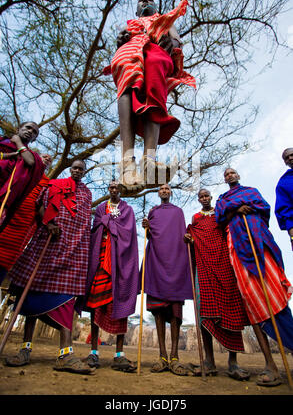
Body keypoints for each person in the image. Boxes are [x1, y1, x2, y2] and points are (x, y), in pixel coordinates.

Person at [5, 160, 93, 375]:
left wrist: (77, 246)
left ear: (84, 172)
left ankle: (65, 354)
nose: (78, 171)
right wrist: (49, 223)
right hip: (47, 245)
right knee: (32, 296)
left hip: (72, 251)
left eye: (82, 169)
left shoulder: (87, 194)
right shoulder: (55, 185)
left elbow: (83, 222)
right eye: (75, 168)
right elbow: (39, 206)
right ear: (70, 169)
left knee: (66, 301)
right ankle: (25, 349)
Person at [104, 0, 196, 188]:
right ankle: (127, 162)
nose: (145, 0)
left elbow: (176, 40)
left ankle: (149, 161)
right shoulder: (132, 24)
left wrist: (173, 44)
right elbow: (121, 39)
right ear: (137, 11)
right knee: (126, 78)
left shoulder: (163, 21)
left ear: (156, 7)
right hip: (130, 50)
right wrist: (120, 40)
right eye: (141, 0)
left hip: (155, 50)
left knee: (155, 69)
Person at [215, 167, 293, 387]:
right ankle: (271, 365)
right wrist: (235, 209)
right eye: (226, 174)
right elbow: (221, 219)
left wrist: (247, 210)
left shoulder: (252, 191)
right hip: (238, 250)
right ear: (224, 180)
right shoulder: (223, 199)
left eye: (232, 173)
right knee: (252, 301)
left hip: (260, 243)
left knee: (274, 293)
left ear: (238, 176)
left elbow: (264, 209)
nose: (230, 176)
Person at [184, 188, 250, 380]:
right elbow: (191, 235)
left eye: (207, 196)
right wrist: (187, 238)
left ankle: (233, 363)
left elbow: (229, 227)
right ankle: (209, 362)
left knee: (232, 310)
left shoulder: (220, 213)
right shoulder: (196, 218)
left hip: (224, 264)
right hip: (204, 266)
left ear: (210, 197)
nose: (204, 198)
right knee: (204, 312)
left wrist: (237, 210)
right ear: (198, 199)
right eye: (201, 196)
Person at [76, 181, 139, 372]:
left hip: (119, 263)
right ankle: (94, 352)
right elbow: (96, 228)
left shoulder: (127, 210)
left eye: (116, 188)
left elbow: (128, 234)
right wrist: (106, 223)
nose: (113, 190)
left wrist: (109, 223)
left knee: (120, 307)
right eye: (111, 187)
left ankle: (119, 355)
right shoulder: (101, 208)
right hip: (100, 260)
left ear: (120, 191)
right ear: (108, 190)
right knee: (95, 306)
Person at [142, 184, 193, 376]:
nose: (164, 190)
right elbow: (150, 236)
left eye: (167, 189)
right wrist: (146, 227)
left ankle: (174, 357)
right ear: (158, 193)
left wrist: (188, 238)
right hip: (156, 264)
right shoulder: (153, 212)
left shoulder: (178, 212)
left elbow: (181, 236)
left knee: (174, 316)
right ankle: (162, 356)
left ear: (170, 193)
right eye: (161, 189)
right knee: (158, 314)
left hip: (175, 265)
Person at [0, 154, 52, 280]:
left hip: (23, 225)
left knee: (6, 261)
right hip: (7, 215)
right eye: (44, 156)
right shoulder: (21, 169)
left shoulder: (47, 183)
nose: (47, 159)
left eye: (49, 160)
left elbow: (41, 204)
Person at [0, 121, 45, 229]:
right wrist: (10, 155)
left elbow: (29, 161)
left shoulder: (32, 156)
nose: (30, 131)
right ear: (18, 129)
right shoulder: (2, 142)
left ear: (34, 139)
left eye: (34, 132)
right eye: (28, 127)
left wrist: (18, 142)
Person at [275, 147, 293, 250]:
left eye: (292, 155)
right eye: (287, 158)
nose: (290, 158)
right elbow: (285, 210)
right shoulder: (283, 183)